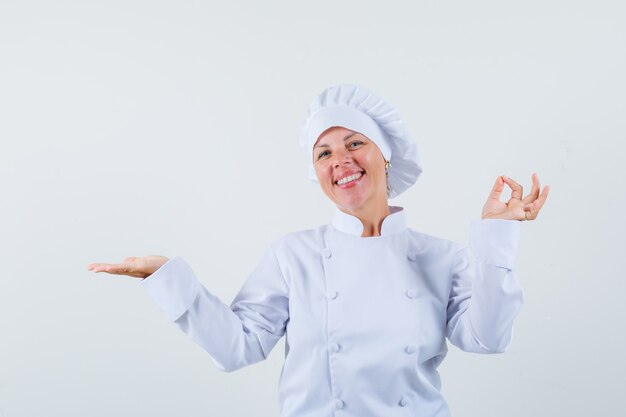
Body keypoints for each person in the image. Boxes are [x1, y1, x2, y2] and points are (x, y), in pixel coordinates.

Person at [88, 84, 550, 417]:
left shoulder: (442, 257)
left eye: (355, 144)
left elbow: (488, 338)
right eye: (323, 153)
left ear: (385, 154)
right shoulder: (293, 256)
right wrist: (168, 277)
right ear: (316, 172)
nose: (341, 161)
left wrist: (495, 236)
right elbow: (237, 348)